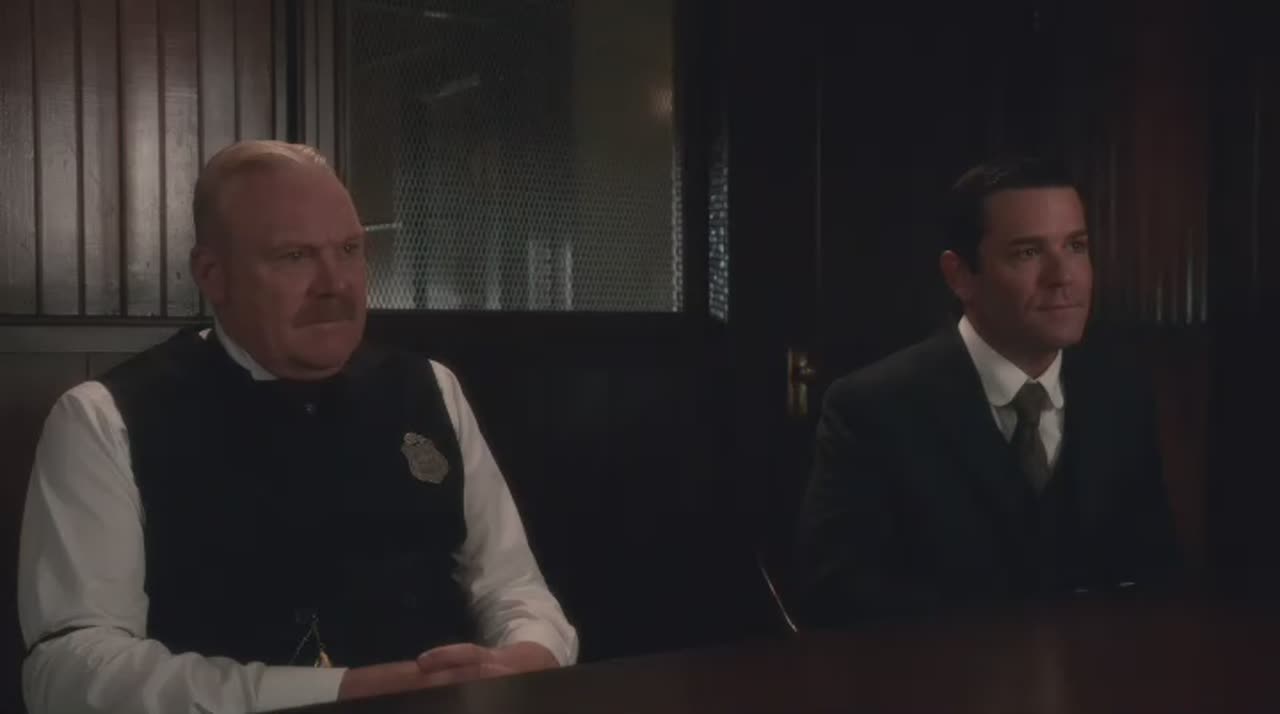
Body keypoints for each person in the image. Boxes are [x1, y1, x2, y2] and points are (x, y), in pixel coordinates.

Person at [18, 140, 578, 713]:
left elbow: (514, 589)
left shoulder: (432, 388)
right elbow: (68, 669)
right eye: (294, 256)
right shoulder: (104, 419)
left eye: (350, 250)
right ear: (213, 275)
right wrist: (342, 692)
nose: (336, 283)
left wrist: (529, 656)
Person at [793, 156, 1183, 628]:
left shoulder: (1121, 395)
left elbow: (1157, 574)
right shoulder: (871, 409)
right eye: (1028, 252)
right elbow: (838, 598)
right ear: (960, 275)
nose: (1063, 276)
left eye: (1076, 246)